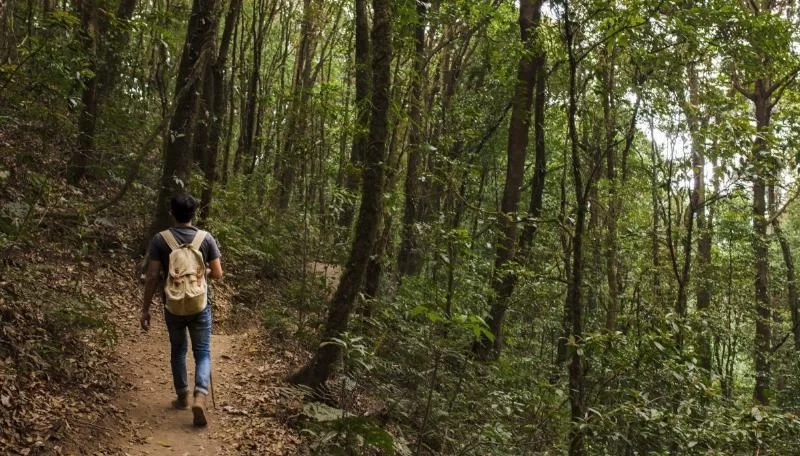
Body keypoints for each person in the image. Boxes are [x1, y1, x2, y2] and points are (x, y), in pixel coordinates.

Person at [140, 193, 223, 427]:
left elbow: (153, 276)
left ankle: (182, 396)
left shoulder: (160, 239)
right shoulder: (206, 239)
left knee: (178, 350)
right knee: (203, 352)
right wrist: (202, 272)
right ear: (194, 213)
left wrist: (145, 309)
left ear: (172, 212)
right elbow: (217, 273)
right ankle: (200, 396)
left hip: (173, 305)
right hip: (200, 305)